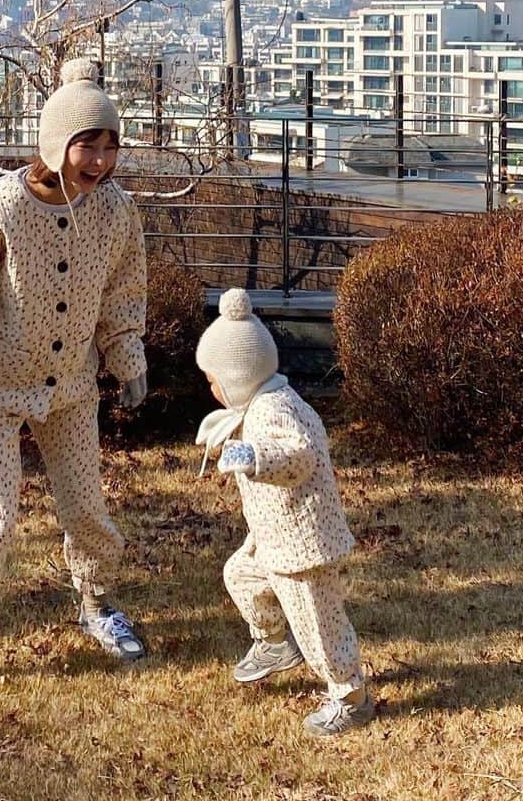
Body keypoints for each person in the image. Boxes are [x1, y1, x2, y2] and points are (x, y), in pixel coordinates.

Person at [0, 57, 149, 709]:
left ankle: (97, 601)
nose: (102, 159)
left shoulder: (116, 211)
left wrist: (126, 356)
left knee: (88, 509)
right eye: (89, 143)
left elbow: (123, 290)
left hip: (72, 390)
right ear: (56, 143)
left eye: (112, 144)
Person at [194, 288, 374, 737]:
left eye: (212, 378)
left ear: (237, 376)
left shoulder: (276, 410)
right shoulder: (255, 403)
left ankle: (351, 697)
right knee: (241, 575)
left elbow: (299, 455)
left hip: (305, 550)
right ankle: (274, 642)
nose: (209, 386)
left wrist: (255, 457)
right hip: (274, 540)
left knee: (321, 629)